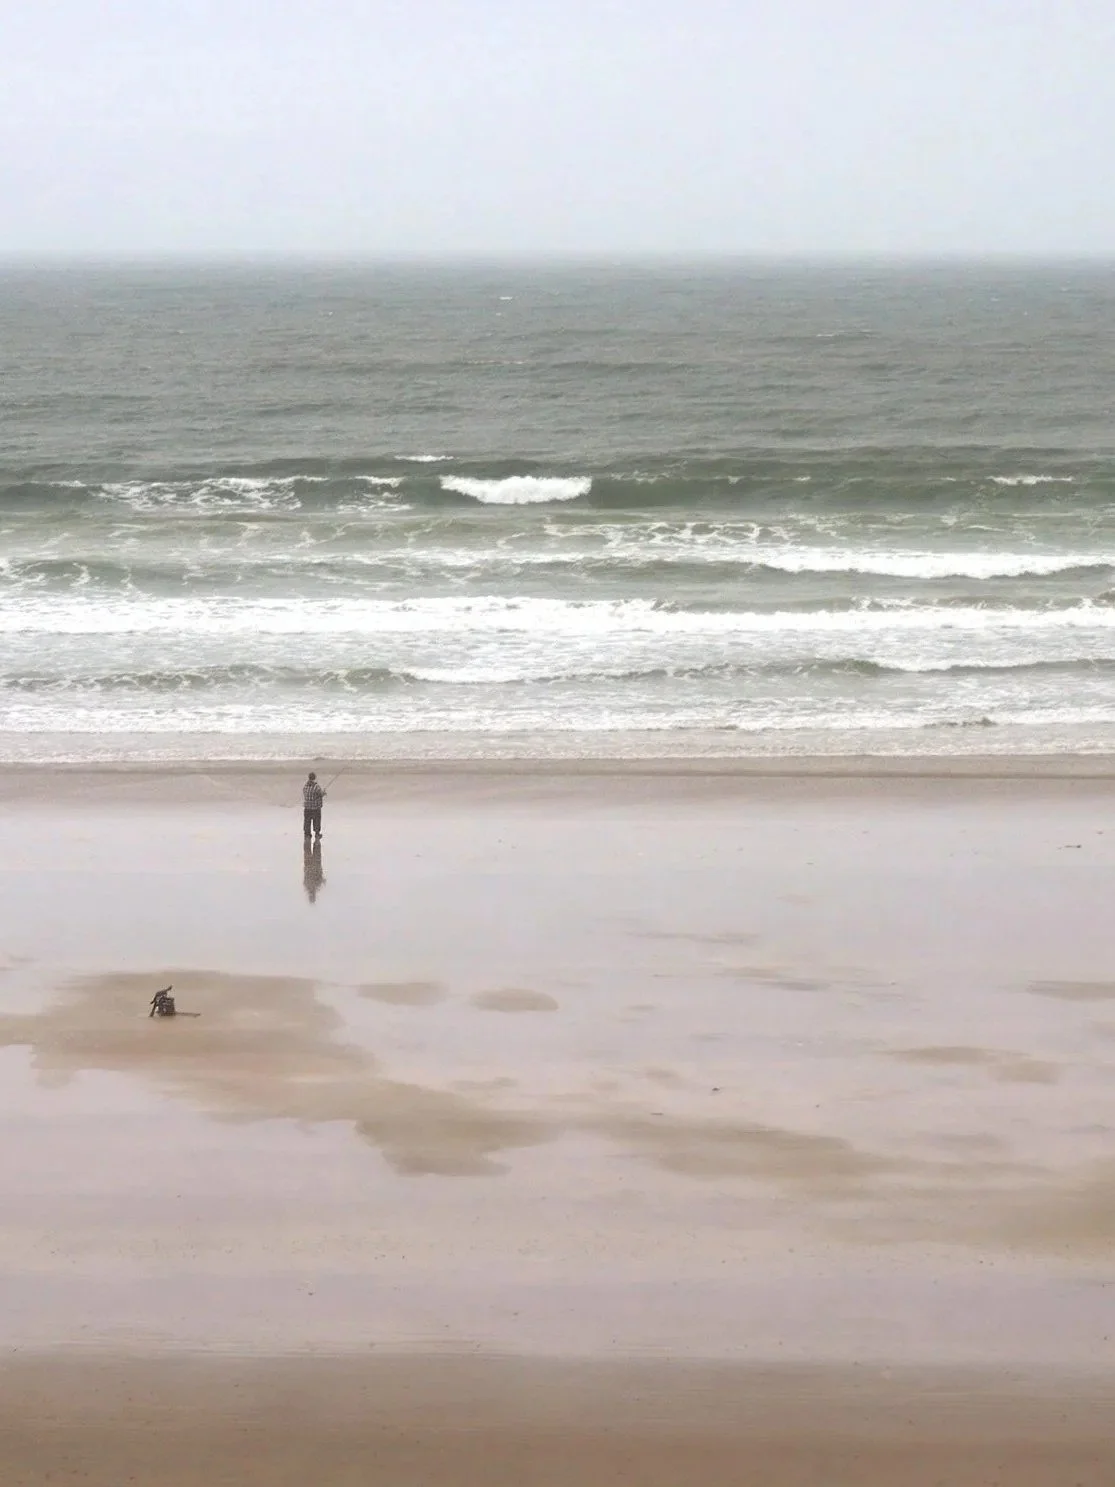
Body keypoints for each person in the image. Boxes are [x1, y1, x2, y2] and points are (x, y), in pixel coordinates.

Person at [302, 771, 325, 841]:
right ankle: (317, 834)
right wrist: (324, 793)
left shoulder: (305, 786)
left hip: (307, 808)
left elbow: (305, 793)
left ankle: (307, 835)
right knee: (317, 821)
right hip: (315, 808)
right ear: (314, 778)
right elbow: (320, 794)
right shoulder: (316, 786)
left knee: (307, 822)